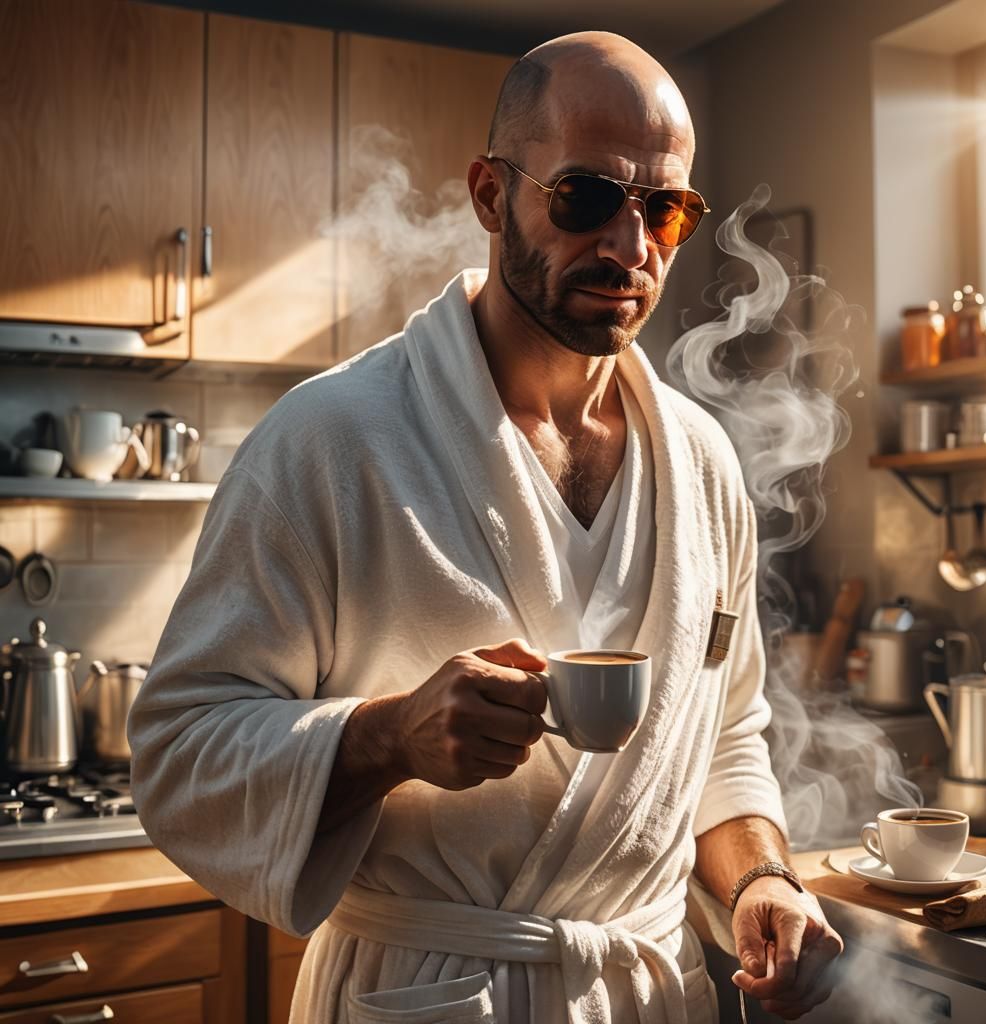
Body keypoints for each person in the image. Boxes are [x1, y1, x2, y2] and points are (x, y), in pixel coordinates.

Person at [128, 30, 843, 1024]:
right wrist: (386, 738)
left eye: (664, 210)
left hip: (644, 991)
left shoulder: (702, 461)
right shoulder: (332, 438)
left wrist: (762, 882)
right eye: (587, 197)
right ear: (491, 195)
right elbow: (177, 750)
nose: (629, 248)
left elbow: (723, 738)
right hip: (427, 990)